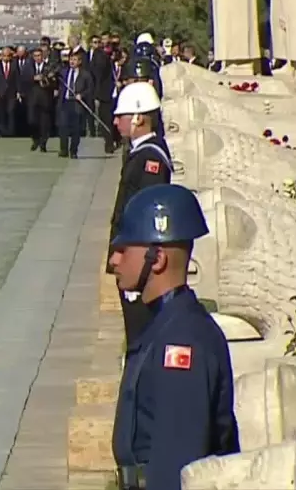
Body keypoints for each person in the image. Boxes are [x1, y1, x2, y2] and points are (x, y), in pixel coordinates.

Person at [108, 183, 239, 490]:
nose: (114, 260)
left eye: (124, 250)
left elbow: (176, 463)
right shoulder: (166, 324)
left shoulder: (182, 342)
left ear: (157, 258)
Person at [109, 81, 173, 344]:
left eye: (120, 116)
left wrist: (137, 266)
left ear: (138, 118)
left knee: (140, 336)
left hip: (138, 260)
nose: (115, 122)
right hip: (131, 256)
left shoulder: (151, 159)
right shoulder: (141, 154)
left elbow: (146, 217)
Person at [57, 48, 94, 158]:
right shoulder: (64, 72)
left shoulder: (85, 74)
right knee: (63, 127)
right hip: (65, 102)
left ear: (80, 61)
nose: (72, 62)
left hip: (77, 103)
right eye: (71, 59)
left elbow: (90, 89)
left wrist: (81, 95)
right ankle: (63, 150)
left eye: (75, 59)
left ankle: (73, 150)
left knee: (76, 129)